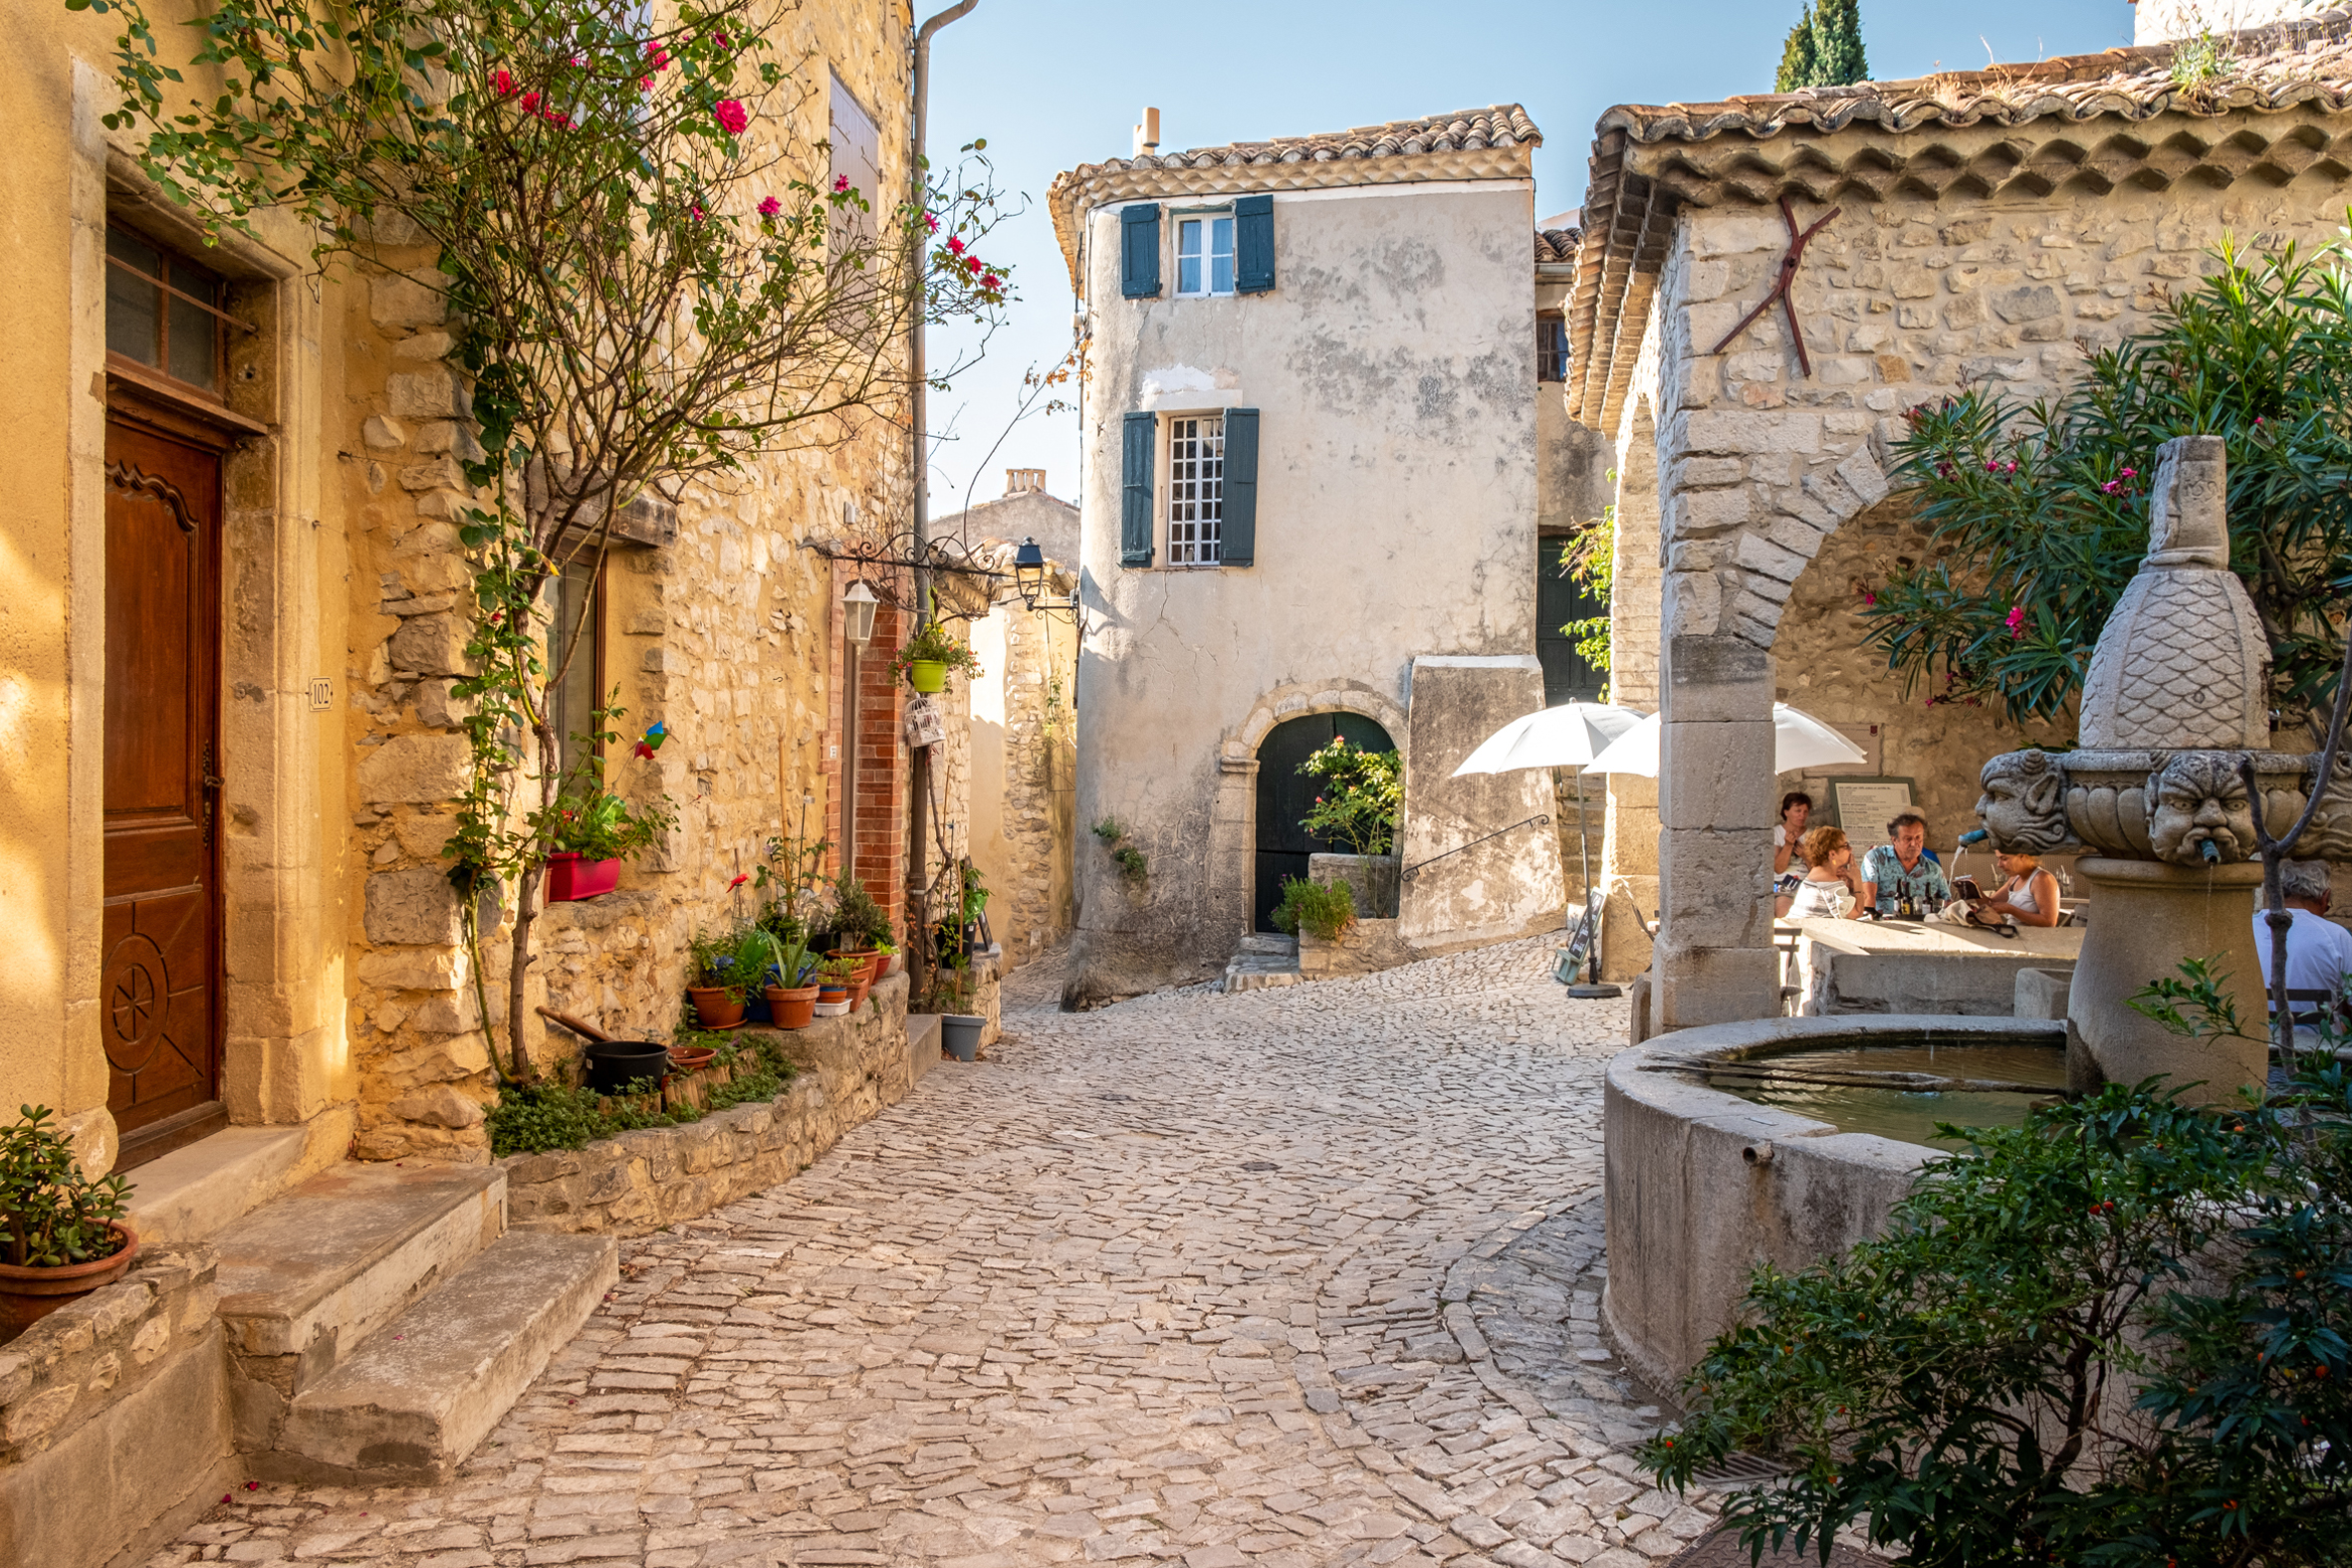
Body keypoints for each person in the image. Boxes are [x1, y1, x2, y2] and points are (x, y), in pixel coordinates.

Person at [2248, 859, 2352, 1019]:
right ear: (2325, 897)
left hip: (2254, 1039)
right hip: (2321, 1041)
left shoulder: (2247, 927)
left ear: (2272, 892)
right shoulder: (2337, 936)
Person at [1859, 811, 1951, 919]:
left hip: (1924, 927)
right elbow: (1868, 898)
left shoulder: (1933, 869)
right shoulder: (1876, 858)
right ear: (1894, 840)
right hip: (1885, 923)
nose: (1914, 843)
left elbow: (1948, 903)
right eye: (1908, 839)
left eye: (1918, 838)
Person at [1952, 848, 2062, 930]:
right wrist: (1975, 891)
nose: (1999, 864)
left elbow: (2049, 922)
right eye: (1998, 859)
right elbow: (1990, 905)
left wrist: (2011, 910)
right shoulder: (2015, 878)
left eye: (2004, 858)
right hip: (2015, 937)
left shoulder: (2041, 879)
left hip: (2034, 944)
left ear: (2022, 856)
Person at [1785, 825, 1862, 920]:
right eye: (1846, 846)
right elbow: (1856, 914)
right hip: (1807, 933)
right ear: (1832, 854)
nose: (1851, 849)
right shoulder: (1831, 885)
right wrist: (1857, 880)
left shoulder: (1814, 873)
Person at [1772, 791, 1812, 898]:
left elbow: (1817, 870)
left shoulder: (1812, 835)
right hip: (1781, 885)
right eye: (1798, 811)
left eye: (1805, 812)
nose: (1802, 815)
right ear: (1786, 812)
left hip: (1806, 885)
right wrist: (1788, 845)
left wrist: (1805, 856)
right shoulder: (1775, 833)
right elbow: (1778, 869)